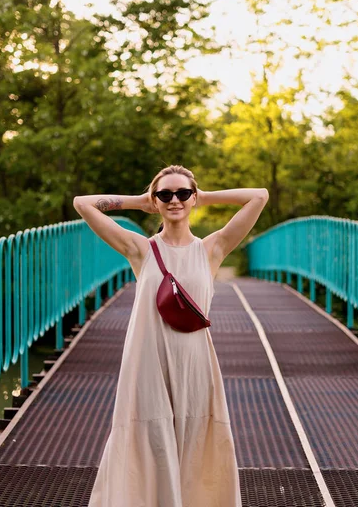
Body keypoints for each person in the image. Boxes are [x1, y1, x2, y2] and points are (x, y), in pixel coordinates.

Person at [73, 164, 269, 507]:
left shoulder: (212, 248)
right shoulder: (140, 249)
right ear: (156, 200)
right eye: (165, 194)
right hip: (148, 360)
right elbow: (82, 203)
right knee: (148, 435)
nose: (174, 200)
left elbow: (259, 196)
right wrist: (139, 201)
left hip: (194, 361)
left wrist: (204, 196)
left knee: (196, 437)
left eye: (182, 193)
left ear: (192, 198)